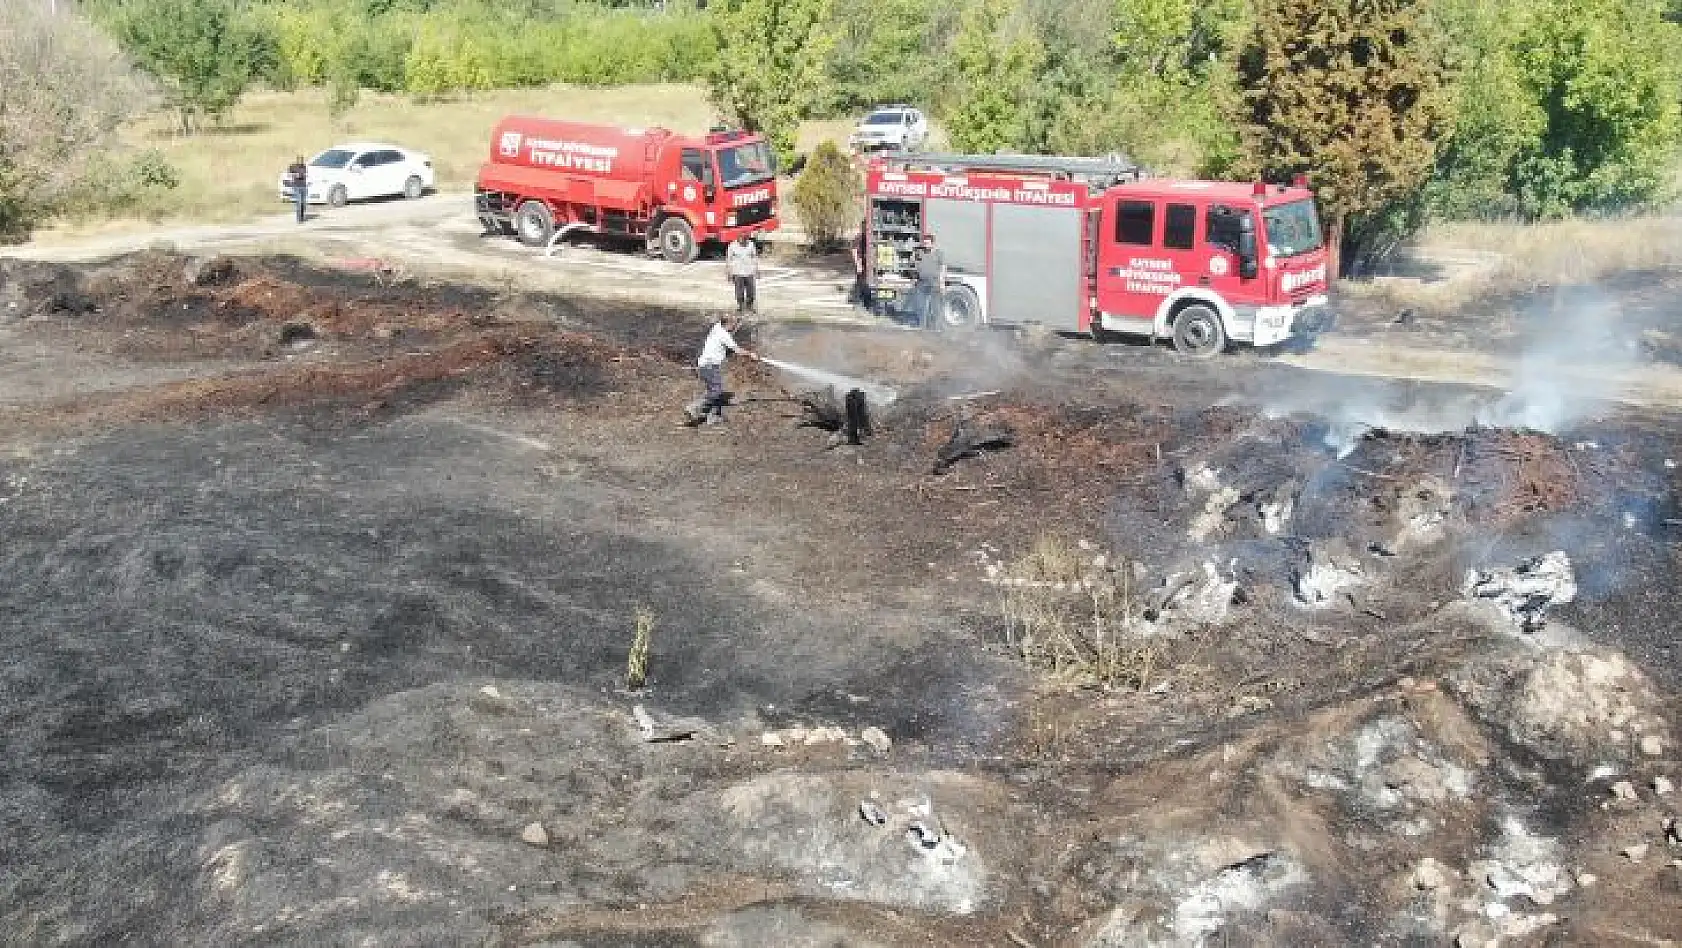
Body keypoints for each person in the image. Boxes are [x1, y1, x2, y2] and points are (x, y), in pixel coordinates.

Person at [686, 311, 759, 426]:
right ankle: (695, 408)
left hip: (705, 365)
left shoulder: (717, 327)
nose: (734, 326)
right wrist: (751, 354)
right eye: (733, 324)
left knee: (714, 391)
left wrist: (738, 321)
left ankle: (712, 417)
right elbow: (737, 350)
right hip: (708, 366)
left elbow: (727, 339)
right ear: (728, 324)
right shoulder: (724, 335)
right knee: (716, 391)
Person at [913, 233, 945, 328]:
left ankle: (935, 327)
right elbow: (916, 264)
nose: (925, 245)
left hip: (934, 283)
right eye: (924, 243)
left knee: (935, 306)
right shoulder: (920, 253)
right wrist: (915, 277)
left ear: (932, 244)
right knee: (921, 306)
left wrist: (941, 282)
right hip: (922, 282)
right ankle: (922, 326)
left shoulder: (938, 253)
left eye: (927, 243)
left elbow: (943, 267)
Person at [726, 233, 759, 314]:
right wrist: (729, 272)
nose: (743, 242)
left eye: (744, 240)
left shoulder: (751, 244)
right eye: (741, 240)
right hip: (737, 272)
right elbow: (729, 259)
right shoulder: (732, 245)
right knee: (739, 291)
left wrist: (756, 270)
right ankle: (740, 306)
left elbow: (754, 257)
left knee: (751, 291)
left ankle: (750, 306)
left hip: (749, 272)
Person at [286, 155, 308, 224]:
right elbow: (288, 174)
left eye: (302, 160)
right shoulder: (293, 167)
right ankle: (299, 219)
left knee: (303, 203)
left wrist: (304, 176)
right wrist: (296, 175)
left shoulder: (304, 167)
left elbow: (305, 175)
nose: (301, 162)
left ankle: (302, 216)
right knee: (299, 202)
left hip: (303, 186)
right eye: (299, 160)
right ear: (297, 160)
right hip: (297, 186)